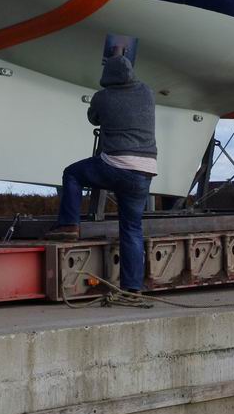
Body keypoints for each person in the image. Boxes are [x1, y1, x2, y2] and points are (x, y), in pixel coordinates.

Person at [46, 54, 157, 295]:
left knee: (72, 174)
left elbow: (92, 118)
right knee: (132, 229)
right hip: (145, 169)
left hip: (115, 163)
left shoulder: (102, 97)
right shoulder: (147, 92)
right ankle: (131, 288)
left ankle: (69, 225)